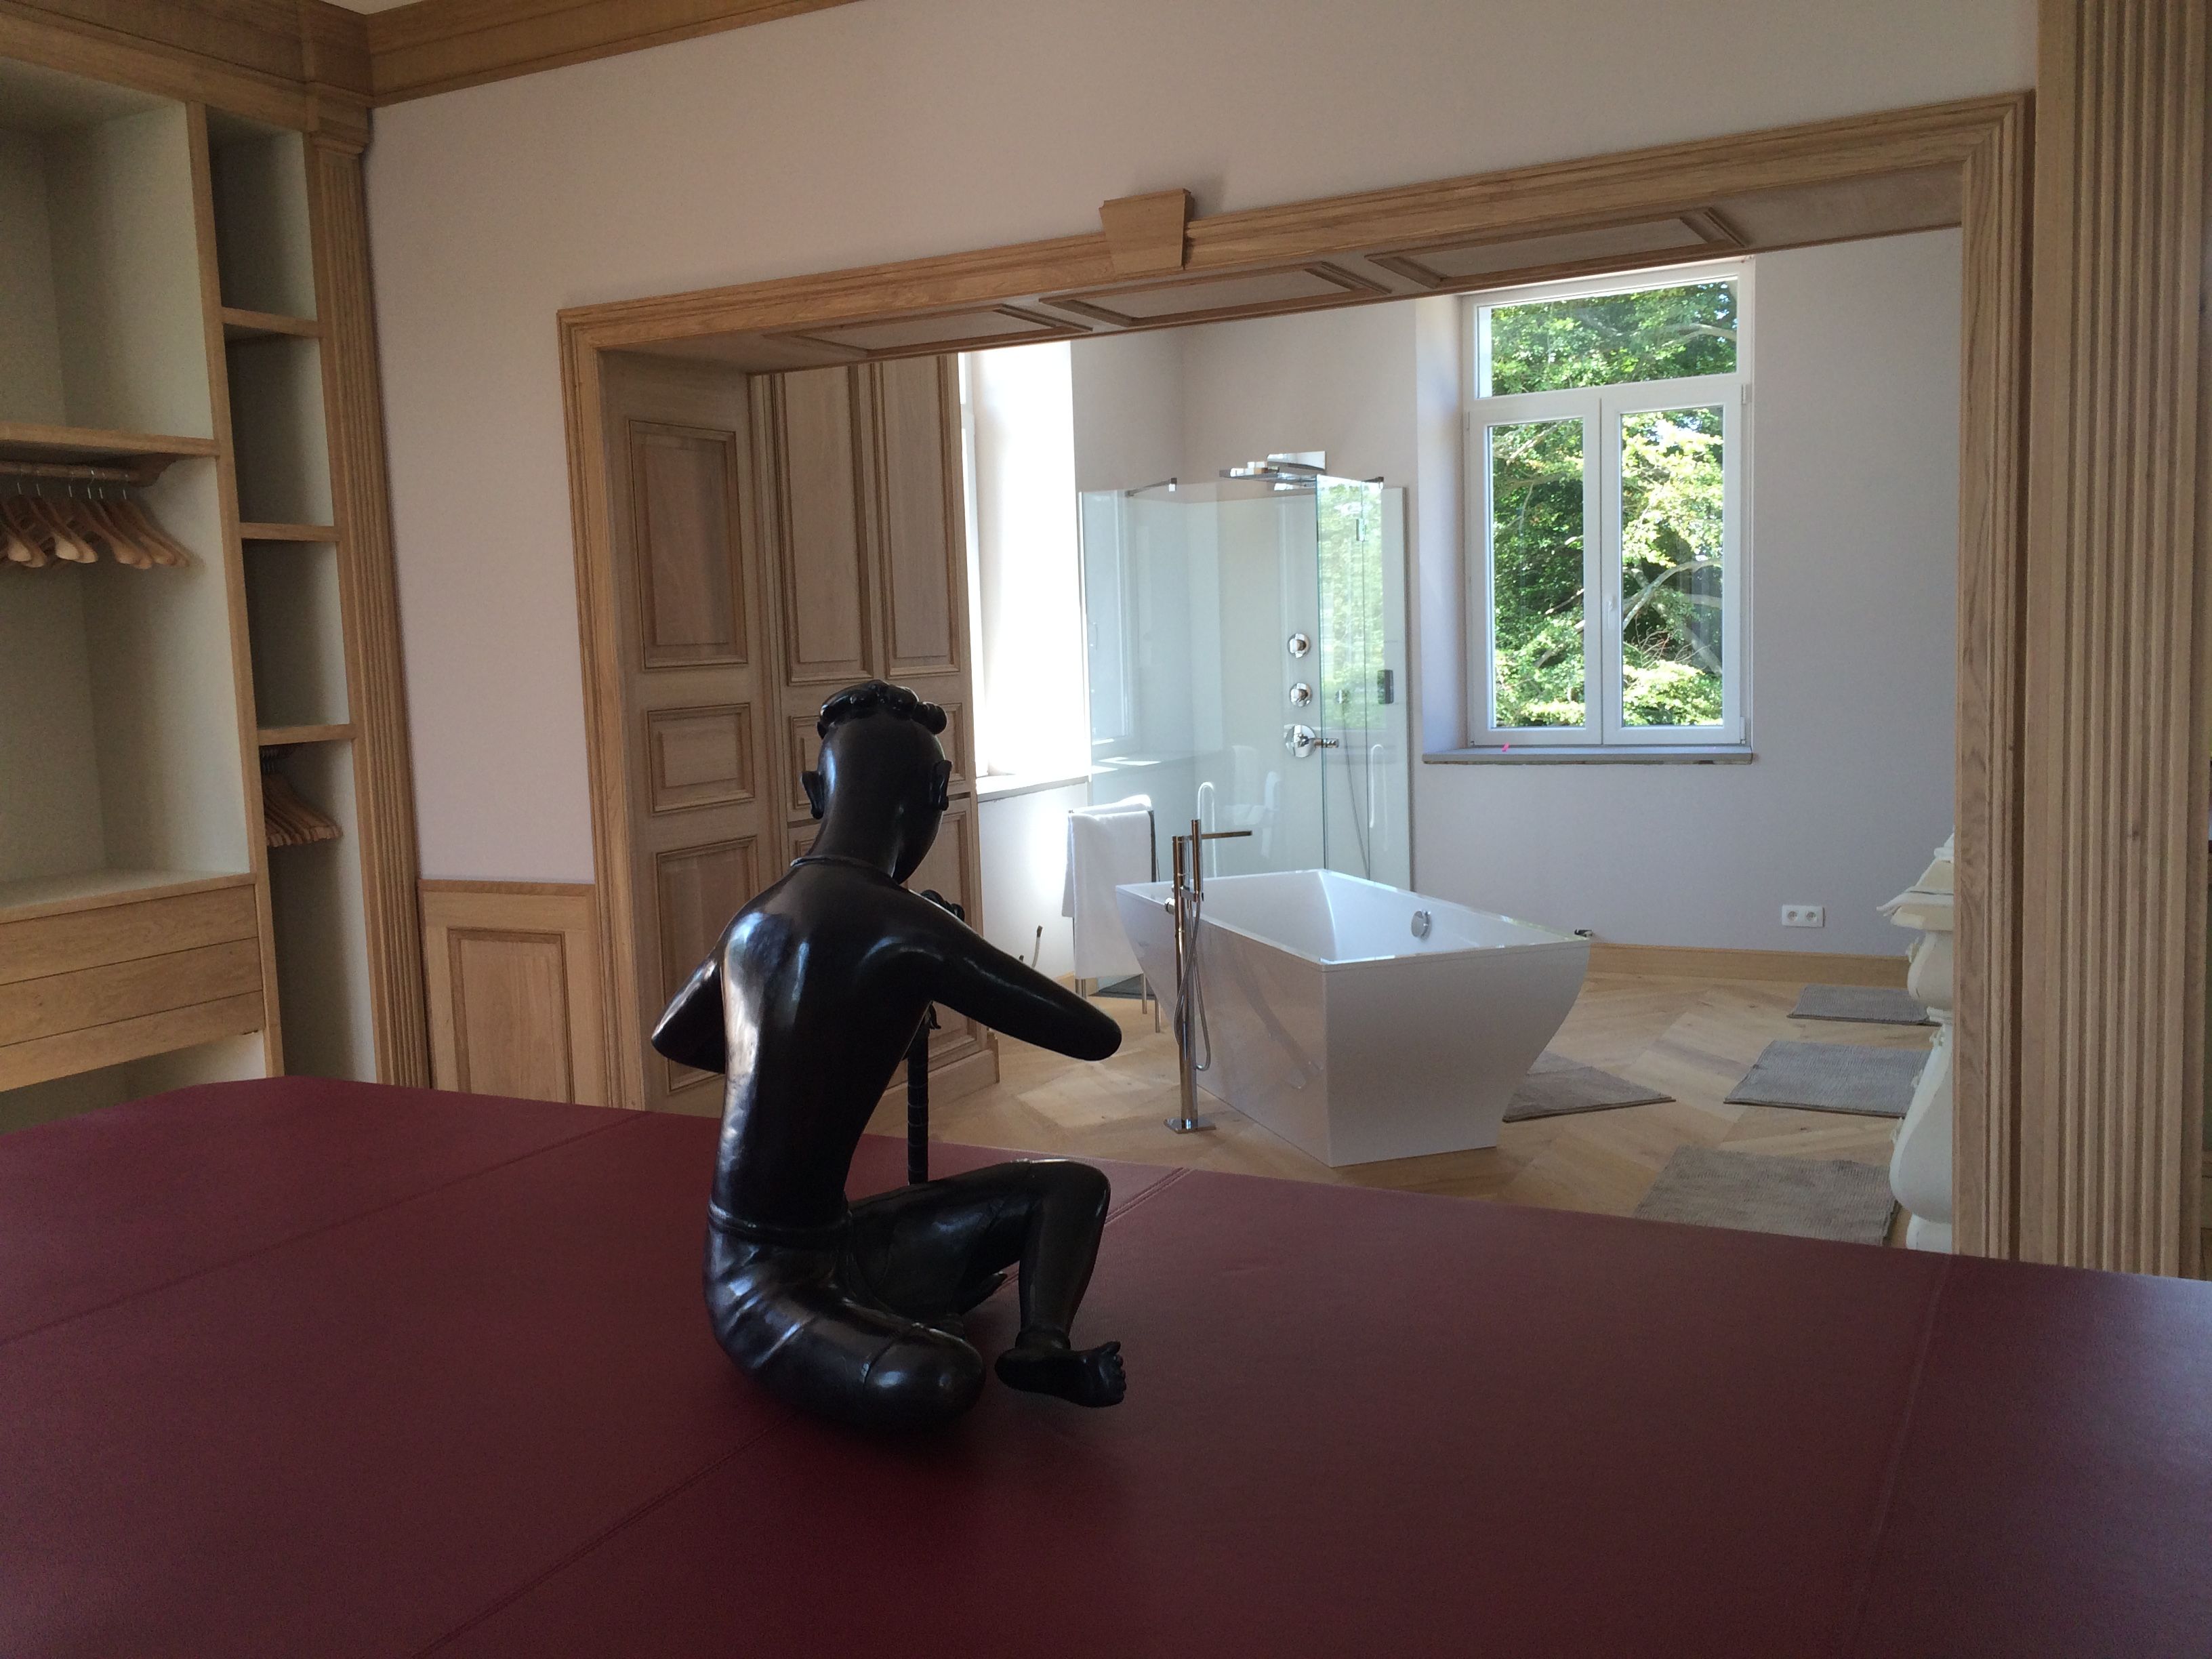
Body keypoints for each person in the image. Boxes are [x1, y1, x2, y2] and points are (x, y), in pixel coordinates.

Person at [652, 680, 1127, 1429]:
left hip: (822, 1241)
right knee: (943, 1375)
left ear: (816, 793)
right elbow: (1096, 1035)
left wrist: (793, 1065)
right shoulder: (908, 927)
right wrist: (945, 948)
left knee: (1066, 1186)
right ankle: (1007, 1328)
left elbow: (676, 1037)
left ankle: (1040, 1347)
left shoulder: (756, 916)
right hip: (764, 1289)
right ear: (936, 796)